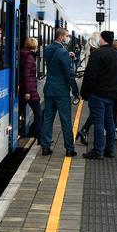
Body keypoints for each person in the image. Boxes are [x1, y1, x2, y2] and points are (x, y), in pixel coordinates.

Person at [79, 30, 117, 160]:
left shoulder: (97, 54)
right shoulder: (116, 54)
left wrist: (85, 92)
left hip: (98, 94)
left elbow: (90, 76)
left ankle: (97, 151)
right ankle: (109, 150)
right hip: (112, 95)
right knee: (110, 122)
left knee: (98, 123)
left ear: (103, 39)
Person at [40, 28, 79, 157]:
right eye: (66, 36)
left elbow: (55, 64)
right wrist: (75, 90)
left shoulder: (48, 48)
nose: (67, 38)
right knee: (65, 120)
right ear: (61, 37)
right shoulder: (62, 52)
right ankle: (69, 149)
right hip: (61, 91)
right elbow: (69, 74)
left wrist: (68, 56)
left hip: (49, 88)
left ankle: (45, 147)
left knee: (48, 119)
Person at [19, 37, 42, 140]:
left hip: (27, 89)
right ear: (34, 46)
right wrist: (28, 92)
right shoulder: (29, 58)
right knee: (38, 113)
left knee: (20, 110)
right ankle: (39, 137)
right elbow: (26, 75)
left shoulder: (25, 55)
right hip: (30, 91)